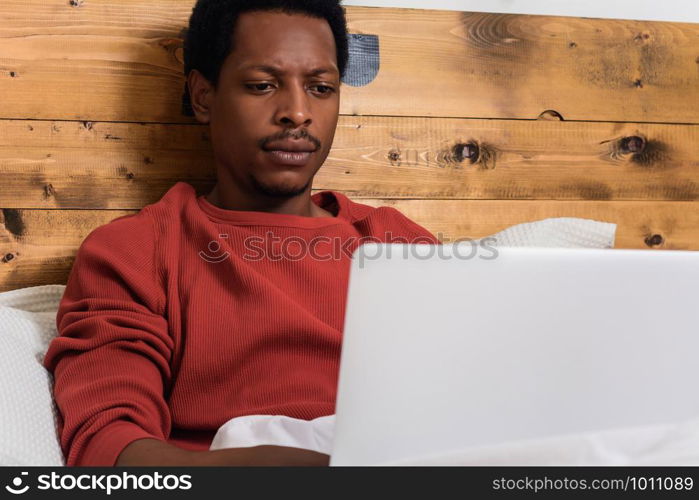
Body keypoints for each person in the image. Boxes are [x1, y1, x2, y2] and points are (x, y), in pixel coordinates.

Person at [43, 0, 440, 467]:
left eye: (320, 88)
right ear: (203, 97)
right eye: (262, 86)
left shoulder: (397, 242)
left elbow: (473, 398)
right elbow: (109, 448)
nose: (297, 112)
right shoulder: (135, 253)